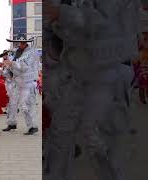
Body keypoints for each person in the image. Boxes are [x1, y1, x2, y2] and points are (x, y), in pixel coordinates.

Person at [43, 0, 141, 179]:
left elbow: (103, 22)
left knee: (96, 136)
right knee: (61, 134)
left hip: (106, 73)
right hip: (78, 72)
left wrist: (60, 13)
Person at [2, 36, 39, 135]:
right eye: (18, 42)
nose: (19, 44)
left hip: (28, 82)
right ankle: (11, 123)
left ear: (26, 43)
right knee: (12, 103)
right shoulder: (16, 52)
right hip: (17, 82)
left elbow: (26, 67)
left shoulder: (32, 53)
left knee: (26, 105)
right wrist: (5, 68)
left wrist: (12, 63)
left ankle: (33, 126)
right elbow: (11, 69)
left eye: (22, 43)